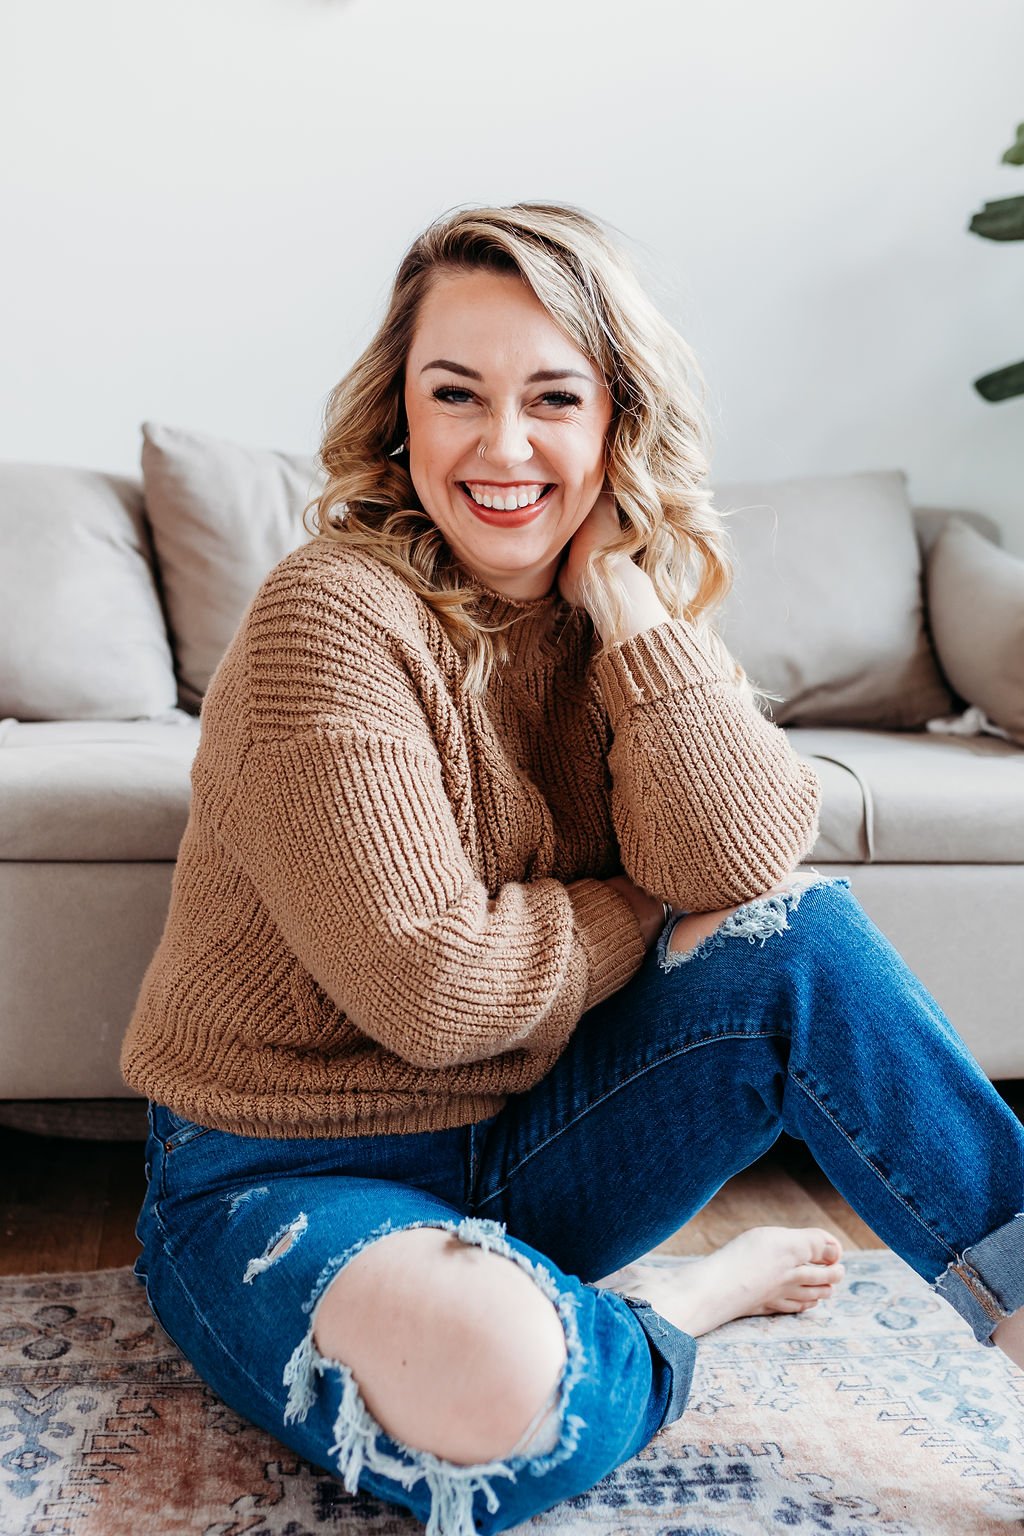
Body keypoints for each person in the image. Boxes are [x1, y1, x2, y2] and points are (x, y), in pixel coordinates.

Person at [123, 202, 1024, 1536]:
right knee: (505, 1411)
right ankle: (678, 1302)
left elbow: (747, 864)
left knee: (804, 942)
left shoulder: (624, 609)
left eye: (555, 397)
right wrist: (644, 900)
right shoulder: (331, 612)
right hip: (278, 1178)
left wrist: (636, 608)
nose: (503, 446)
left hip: (533, 1141)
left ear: (617, 420)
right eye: (456, 395)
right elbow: (434, 989)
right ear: (401, 420)